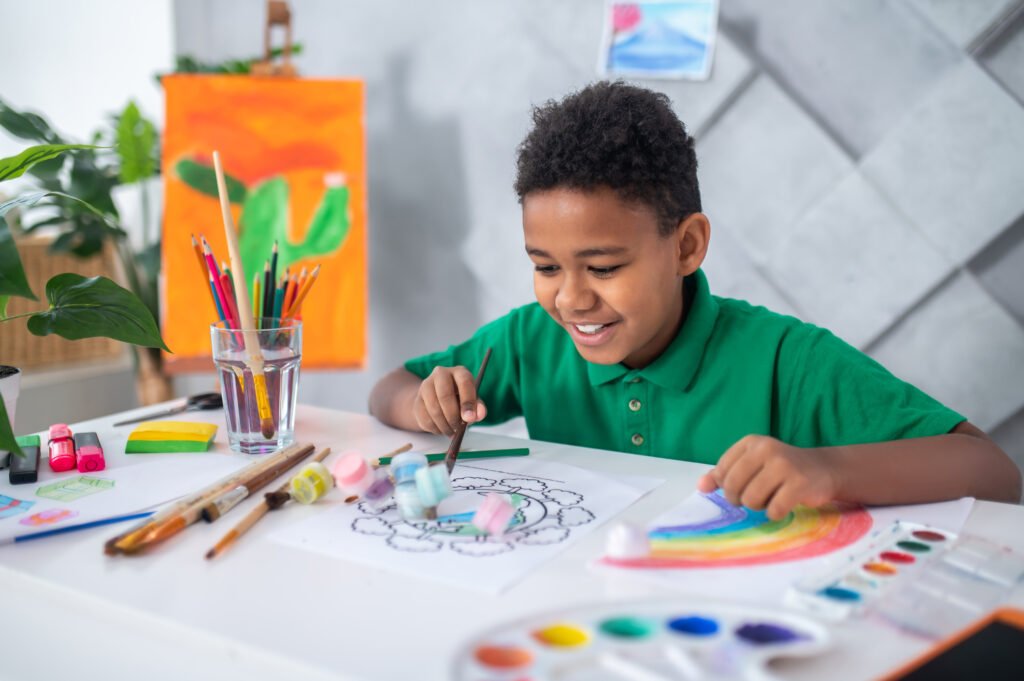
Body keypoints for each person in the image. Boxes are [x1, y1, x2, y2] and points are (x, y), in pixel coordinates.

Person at [369, 81, 1021, 518]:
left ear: (686, 247)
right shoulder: (529, 341)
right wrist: (425, 402)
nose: (570, 298)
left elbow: (991, 471)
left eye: (602, 266)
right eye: (544, 265)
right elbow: (388, 390)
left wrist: (827, 471)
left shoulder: (786, 361)